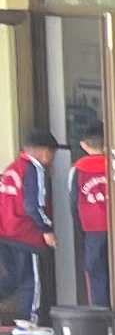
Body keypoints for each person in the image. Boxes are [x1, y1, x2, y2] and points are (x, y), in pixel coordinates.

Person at [0, 124, 48, 323]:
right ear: (45, 152)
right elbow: (33, 205)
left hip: (5, 232)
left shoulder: (11, 168)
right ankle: (30, 321)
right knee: (31, 281)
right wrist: (46, 229)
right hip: (25, 234)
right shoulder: (34, 169)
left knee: (13, 278)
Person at [68, 112, 113, 317]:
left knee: (96, 274)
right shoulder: (114, 165)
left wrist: (79, 230)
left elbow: (73, 202)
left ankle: (101, 319)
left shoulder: (77, 169)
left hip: (92, 229)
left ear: (83, 145)